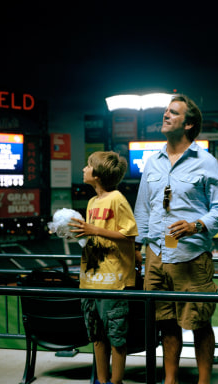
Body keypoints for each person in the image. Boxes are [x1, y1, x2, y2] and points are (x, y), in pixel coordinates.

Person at [134, 94, 218, 384]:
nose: (165, 115)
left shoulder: (206, 161)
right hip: (156, 254)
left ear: (188, 124)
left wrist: (196, 225)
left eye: (173, 113)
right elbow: (142, 207)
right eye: (166, 111)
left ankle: (203, 382)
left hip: (191, 256)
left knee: (199, 323)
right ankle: (170, 380)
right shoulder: (152, 161)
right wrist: (143, 248)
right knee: (165, 324)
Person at [70, 151, 139, 384]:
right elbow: (93, 235)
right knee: (97, 338)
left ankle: (115, 382)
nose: (84, 169)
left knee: (116, 339)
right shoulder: (91, 202)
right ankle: (101, 380)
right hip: (90, 280)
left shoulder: (117, 198)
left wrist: (94, 230)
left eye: (88, 166)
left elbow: (129, 235)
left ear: (97, 174)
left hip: (114, 282)